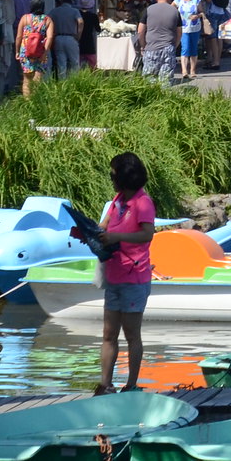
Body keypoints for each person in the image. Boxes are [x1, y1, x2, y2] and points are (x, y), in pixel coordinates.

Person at [96, 151, 157, 394]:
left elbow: (147, 234)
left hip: (134, 276)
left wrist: (116, 236)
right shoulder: (118, 200)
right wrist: (91, 231)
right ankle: (105, 384)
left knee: (132, 333)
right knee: (109, 333)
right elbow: (105, 225)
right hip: (114, 273)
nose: (111, 178)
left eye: (113, 174)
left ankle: (131, 384)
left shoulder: (143, 202)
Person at [140, 0, 182, 82]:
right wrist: (175, 45)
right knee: (165, 81)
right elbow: (179, 32)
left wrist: (143, 46)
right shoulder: (175, 11)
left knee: (149, 80)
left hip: (151, 48)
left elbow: (140, 30)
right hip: (168, 48)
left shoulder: (148, 10)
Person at [15, 0, 53, 97]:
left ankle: (27, 104)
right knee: (38, 79)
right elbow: (50, 38)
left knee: (27, 80)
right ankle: (36, 103)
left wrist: (17, 51)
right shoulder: (47, 20)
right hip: (41, 52)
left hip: (26, 52)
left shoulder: (25, 18)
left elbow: (19, 36)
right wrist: (45, 53)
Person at [47, 0, 83, 80]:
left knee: (61, 63)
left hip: (58, 38)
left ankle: (62, 85)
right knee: (74, 62)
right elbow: (80, 22)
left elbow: (47, 21)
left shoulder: (55, 11)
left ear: (61, 0)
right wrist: (78, 35)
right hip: (71, 37)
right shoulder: (75, 11)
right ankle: (74, 83)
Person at [177, 0, 204, 82]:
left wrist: (197, 16)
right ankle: (184, 71)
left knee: (193, 49)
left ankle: (192, 70)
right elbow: (171, 9)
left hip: (195, 27)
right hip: (183, 28)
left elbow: (202, 12)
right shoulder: (178, 0)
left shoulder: (196, 0)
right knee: (185, 48)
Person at [78, 0, 102, 70]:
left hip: (78, 40)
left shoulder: (77, 14)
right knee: (92, 64)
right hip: (89, 42)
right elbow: (98, 29)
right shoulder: (93, 16)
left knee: (78, 64)